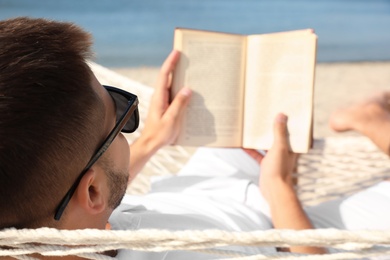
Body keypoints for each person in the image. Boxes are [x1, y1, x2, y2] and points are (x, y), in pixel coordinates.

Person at [1, 17, 390, 259]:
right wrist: (278, 187)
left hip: (196, 193)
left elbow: (92, 201)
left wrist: (152, 138)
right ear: (92, 193)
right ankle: (370, 121)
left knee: (253, 120)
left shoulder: (50, 230)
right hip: (278, 228)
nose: (128, 119)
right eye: (120, 116)